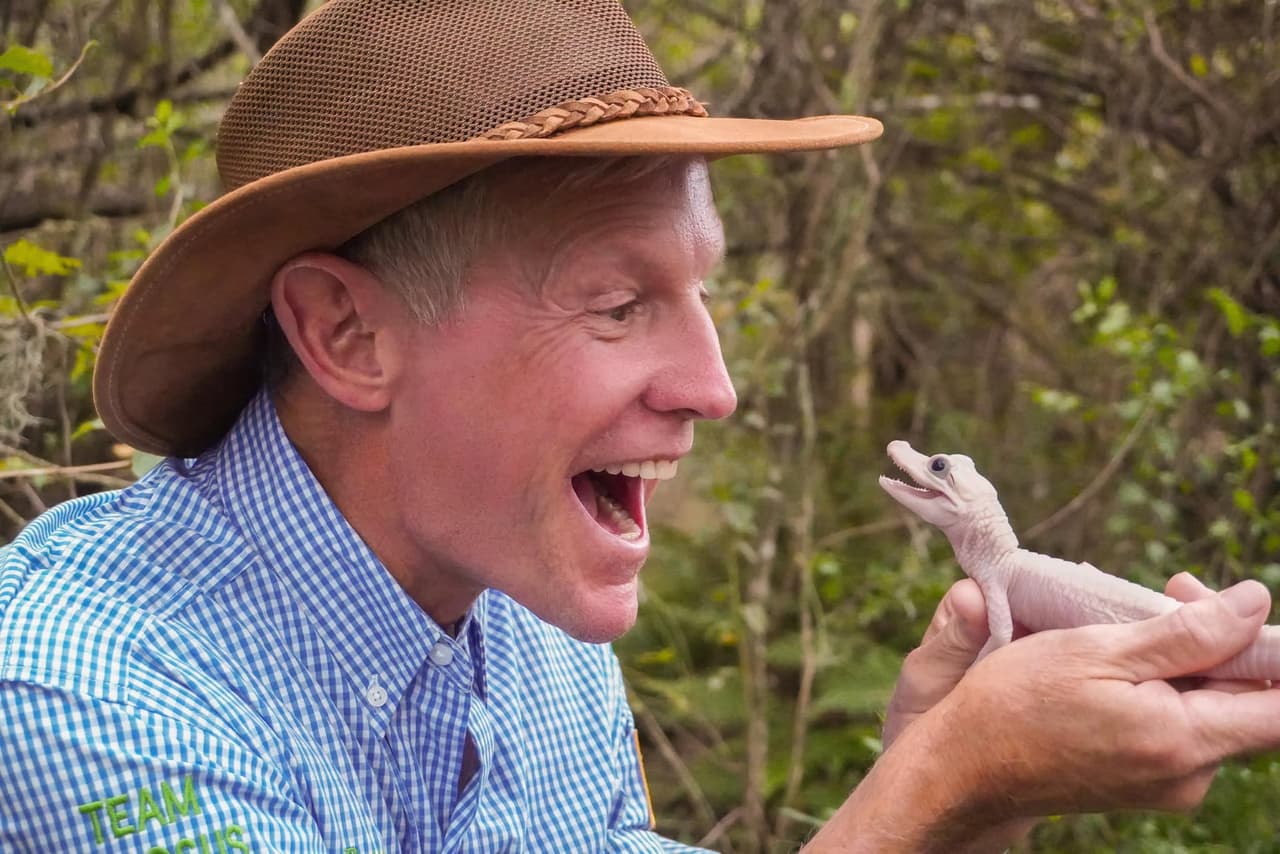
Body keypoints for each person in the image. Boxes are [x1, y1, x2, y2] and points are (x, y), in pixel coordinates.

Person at [4, 1, 1280, 851]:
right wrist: (942, 779)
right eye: (618, 304)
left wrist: (939, 789)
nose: (711, 386)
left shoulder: (536, 636)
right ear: (348, 336)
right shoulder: (80, 690)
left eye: (699, 287)